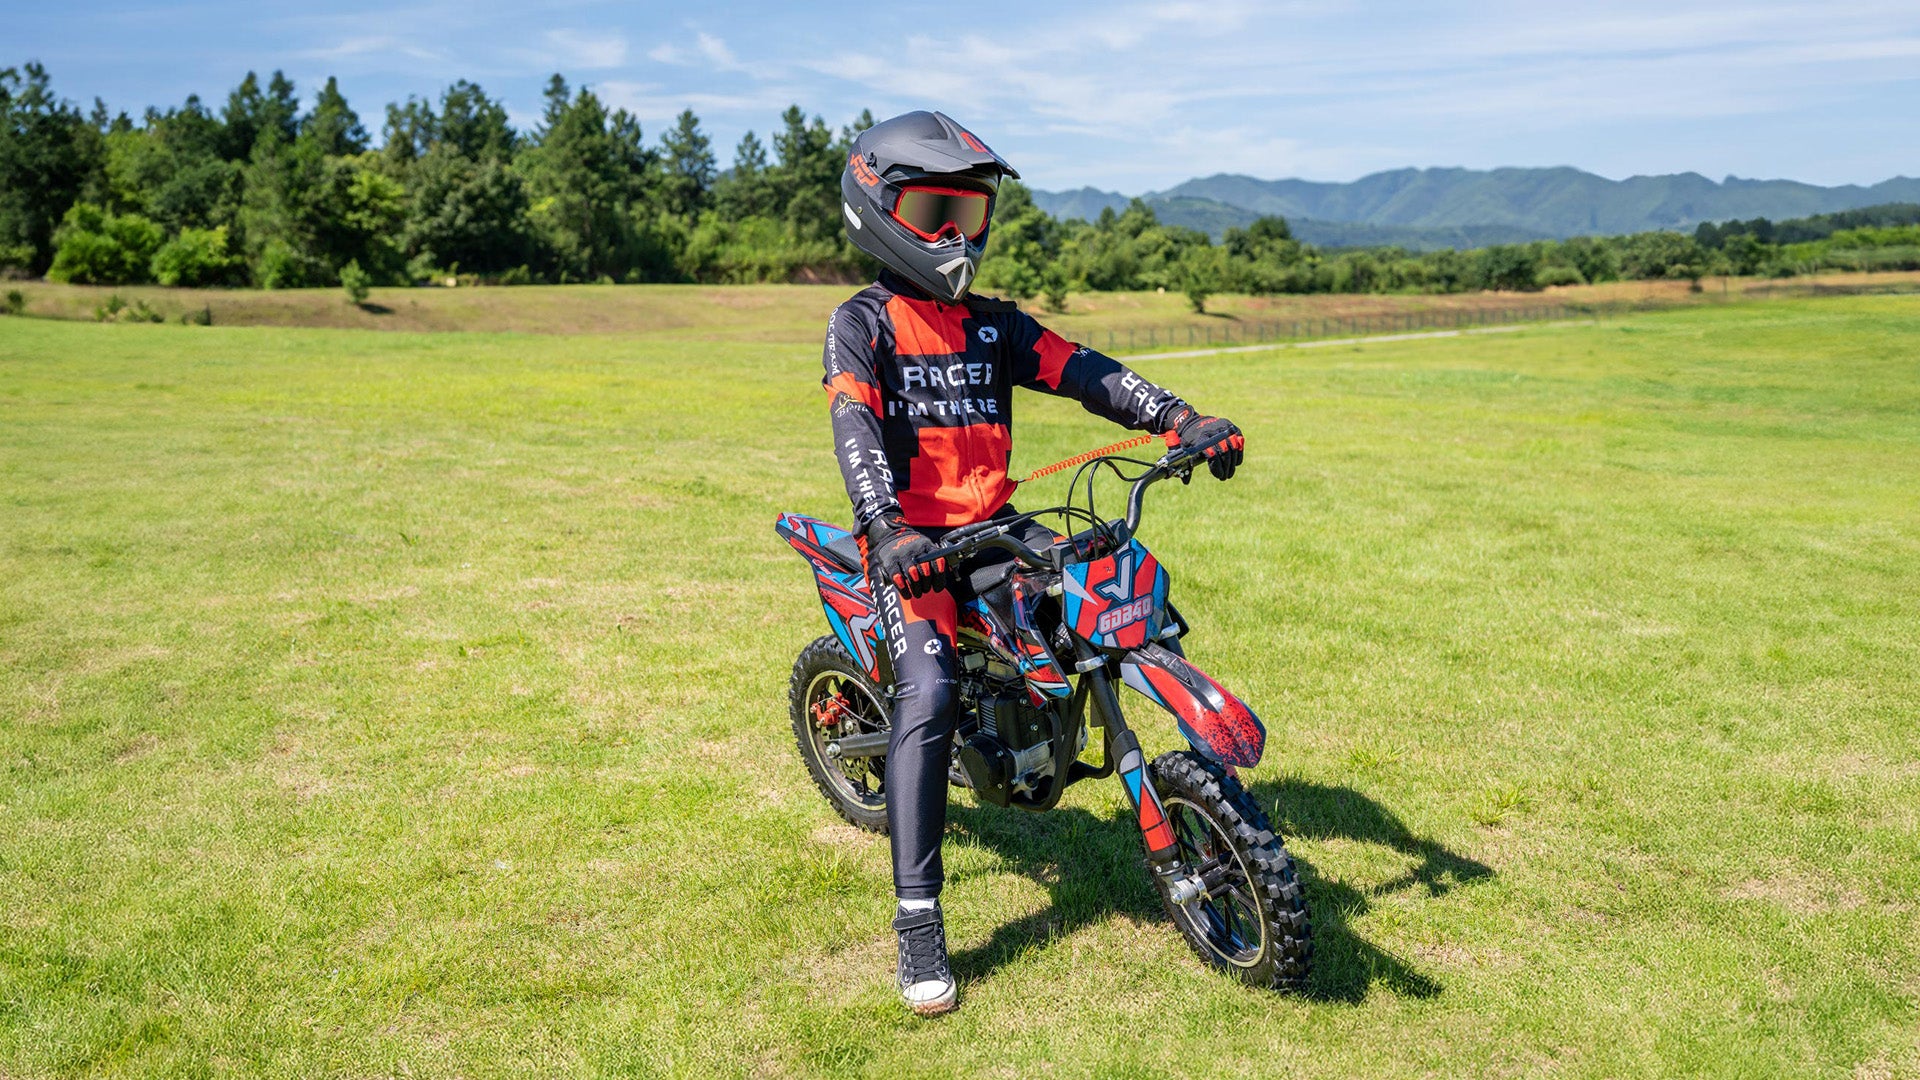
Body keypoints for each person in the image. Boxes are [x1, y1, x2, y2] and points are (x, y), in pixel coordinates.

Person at [822, 110, 1245, 1016]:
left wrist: (1179, 418)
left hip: (999, 529)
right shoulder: (862, 323)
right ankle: (918, 918)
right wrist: (886, 528)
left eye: (968, 215)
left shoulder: (992, 325)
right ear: (878, 207)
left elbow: (1086, 370)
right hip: (914, 552)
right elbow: (853, 421)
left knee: (1109, 608)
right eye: (933, 209)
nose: (951, 234)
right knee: (927, 697)